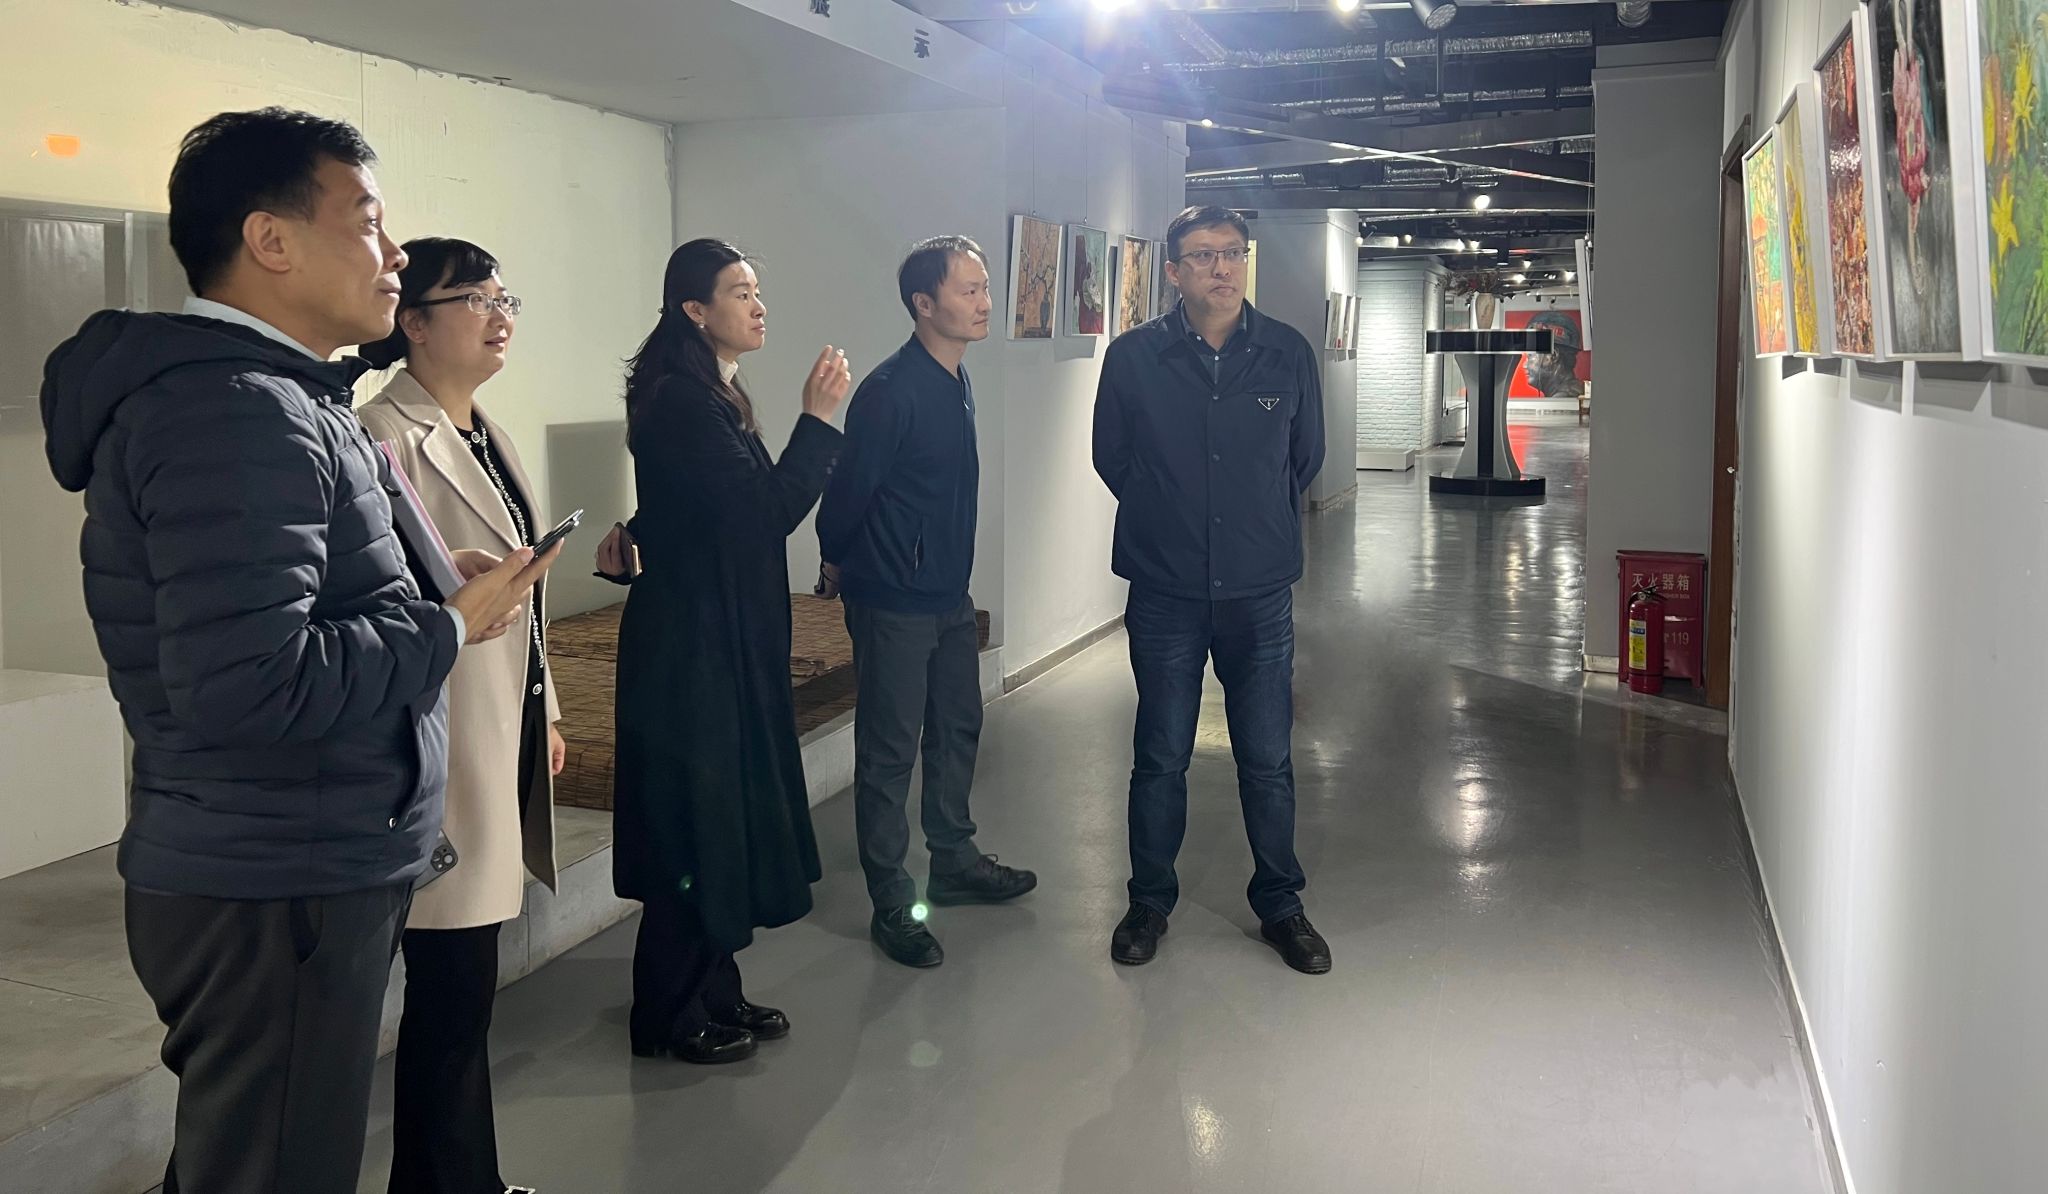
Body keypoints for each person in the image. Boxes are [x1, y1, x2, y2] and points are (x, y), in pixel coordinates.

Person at [37, 108, 552, 1194]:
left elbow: (293, 608)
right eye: (366, 221)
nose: (394, 254)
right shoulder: (235, 413)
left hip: (297, 862)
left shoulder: (281, 400)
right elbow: (252, 683)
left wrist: (431, 583)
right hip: (275, 879)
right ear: (271, 241)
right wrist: (448, 625)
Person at [604, 239, 852, 1064]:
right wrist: (817, 423)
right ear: (695, 309)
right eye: (740, 292)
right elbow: (760, 515)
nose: (758, 305)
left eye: (756, 290)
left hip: (722, 632)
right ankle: (667, 1014)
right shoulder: (683, 400)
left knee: (723, 818)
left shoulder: (709, 390)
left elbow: (693, 509)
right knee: (693, 822)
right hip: (691, 647)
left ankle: (714, 990)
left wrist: (634, 535)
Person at [356, 237, 563, 1194]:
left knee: (466, 991)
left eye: (504, 297)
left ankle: (459, 1181)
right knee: (449, 991)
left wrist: (544, 711)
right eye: (474, 298)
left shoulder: (488, 433)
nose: (499, 315)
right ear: (414, 322)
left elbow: (525, 592)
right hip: (432, 745)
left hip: (495, 726)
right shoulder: (381, 435)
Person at [1090, 204, 1331, 976]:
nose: (1221, 268)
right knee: (1160, 753)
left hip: (1258, 591)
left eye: (1232, 253)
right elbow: (1112, 457)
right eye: (1202, 256)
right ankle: (1149, 901)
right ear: (1173, 272)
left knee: (1267, 756)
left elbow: (1305, 456)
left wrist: (1247, 523)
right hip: (1166, 588)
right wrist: (1175, 518)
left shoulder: (1287, 353)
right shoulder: (1134, 358)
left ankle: (1281, 903)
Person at [812, 236, 1035, 969]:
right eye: (969, 290)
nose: (985, 302)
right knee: (889, 750)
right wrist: (837, 559)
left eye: (984, 287)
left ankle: (954, 860)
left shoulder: (955, 379)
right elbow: (847, 493)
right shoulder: (891, 391)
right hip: (894, 599)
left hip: (946, 594)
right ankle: (891, 898)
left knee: (957, 727)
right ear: (924, 303)